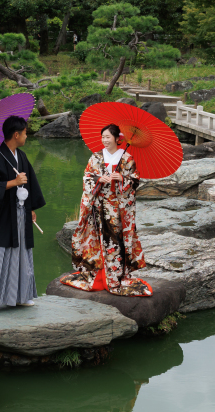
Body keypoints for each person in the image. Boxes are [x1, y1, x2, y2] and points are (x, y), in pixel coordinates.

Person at [60, 123, 152, 296]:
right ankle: (97, 275)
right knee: (96, 238)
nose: (104, 140)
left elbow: (135, 181)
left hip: (117, 208)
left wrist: (122, 178)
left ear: (118, 139)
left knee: (115, 240)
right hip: (97, 206)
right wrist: (98, 179)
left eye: (107, 137)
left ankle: (116, 276)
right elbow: (87, 177)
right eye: (102, 137)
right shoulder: (95, 157)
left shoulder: (127, 158)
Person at [0, 115, 46, 317]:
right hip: (1, 216)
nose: (27, 136)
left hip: (20, 212)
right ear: (16, 135)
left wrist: (30, 208)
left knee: (22, 254)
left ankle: (21, 295)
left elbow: (30, 184)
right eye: (25, 133)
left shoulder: (21, 156)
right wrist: (13, 182)